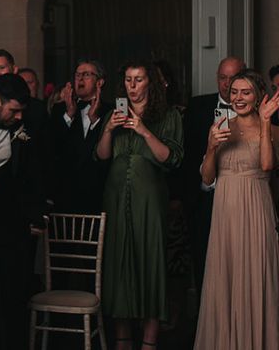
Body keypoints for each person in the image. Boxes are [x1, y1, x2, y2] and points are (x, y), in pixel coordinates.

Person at [96, 61, 183, 350]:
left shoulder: (168, 115)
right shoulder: (114, 113)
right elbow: (102, 157)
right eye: (129, 80)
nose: (133, 87)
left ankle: (148, 343)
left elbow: (171, 158)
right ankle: (122, 342)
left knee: (150, 263)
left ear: (151, 83)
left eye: (139, 80)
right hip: (116, 196)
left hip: (149, 198)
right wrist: (107, 129)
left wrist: (144, 130)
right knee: (119, 265)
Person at [194, 71, 279, 349]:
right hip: (225, 213)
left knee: (256, 278)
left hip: (256, 209)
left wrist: (266, 123)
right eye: (234, 92)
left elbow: (267, 165)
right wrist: (210, 147)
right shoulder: (220, 125)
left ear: (257, 97)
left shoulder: (273, 129)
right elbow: (207, 178)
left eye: (245, 92)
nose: (238, 98)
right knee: (225, 279)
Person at [0, 73, 45, 350]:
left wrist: (35, 215)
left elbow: (37, 173)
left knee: (14, 302)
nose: (18, 117)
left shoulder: (27, 126)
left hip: (14, 228)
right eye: (13, 110)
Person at [182, 56, 244, 298]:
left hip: (241, 199)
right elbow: (188, 157)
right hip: (205, 200)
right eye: (223, 78)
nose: (227, 84)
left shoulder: (257, 110)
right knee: (205, 265)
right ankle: (205, 327)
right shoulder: (198, 107)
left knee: (239, 266)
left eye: (233, 78)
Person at [48, 59, 112, 214]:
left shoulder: (111, 110)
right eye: (77, 75)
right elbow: (52, 147)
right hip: (65, 193)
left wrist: (94, 120)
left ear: (100, 82)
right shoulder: (59, 109)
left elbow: (107, 155)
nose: (80, 79)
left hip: (99, 192)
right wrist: (69, 115)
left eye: (87, 74)